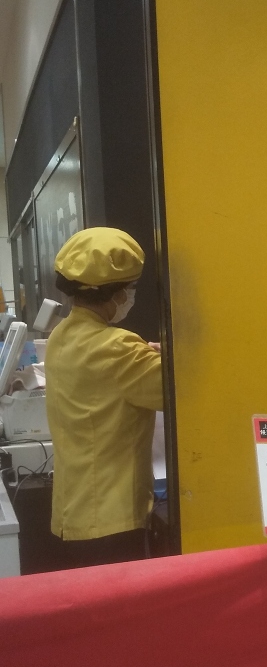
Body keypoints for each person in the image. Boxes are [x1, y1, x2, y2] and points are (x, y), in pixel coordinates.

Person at [45, 227, 163, 567]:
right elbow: (179, 389)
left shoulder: (60, 336)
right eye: (131, 288)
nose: (131, 296)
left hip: (73, 510)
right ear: (116, 293)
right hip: (112, 519)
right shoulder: (117, 348)